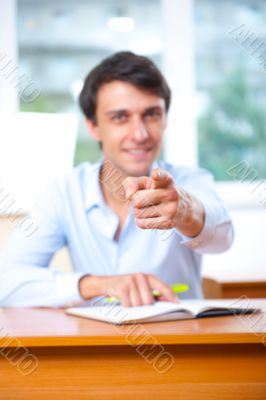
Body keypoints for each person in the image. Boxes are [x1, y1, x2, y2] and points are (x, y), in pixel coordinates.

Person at [0, 51, 234, 308]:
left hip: (180, 343)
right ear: (93, 126)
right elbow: (6, 281)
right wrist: (98, 284)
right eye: (120, 117)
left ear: (165, 119)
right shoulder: (65, 192)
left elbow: (223, 238)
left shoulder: (191, 181)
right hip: (95, 345)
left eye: (152, 114)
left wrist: (185, 211)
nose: (140, 133)